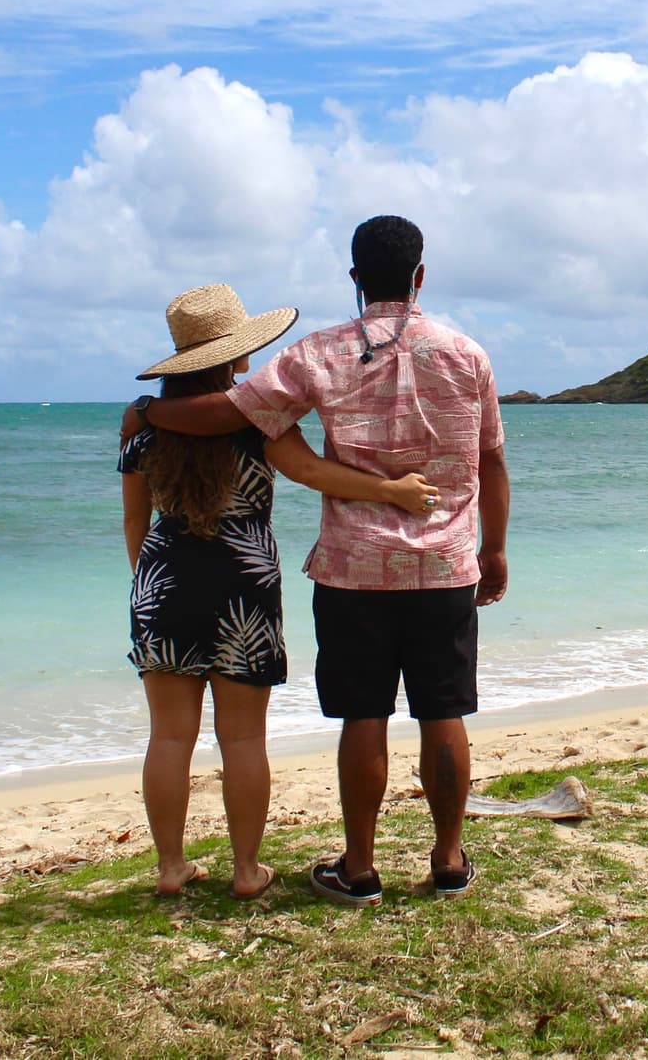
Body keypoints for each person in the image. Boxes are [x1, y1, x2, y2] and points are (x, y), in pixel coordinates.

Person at [125, 217, 509, 904]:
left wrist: (149, 416)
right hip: (444, 565)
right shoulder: (467, 354)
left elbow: (228, 415)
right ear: (421, 275)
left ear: (355, 277)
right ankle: (448, 860)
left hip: (349, 571)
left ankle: (358, 868)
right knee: (443, 711)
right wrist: (495, 548)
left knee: (363, 714)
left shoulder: (318, 356)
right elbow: (491, 462)